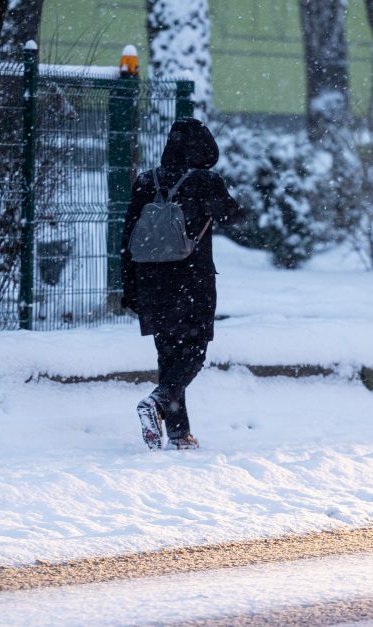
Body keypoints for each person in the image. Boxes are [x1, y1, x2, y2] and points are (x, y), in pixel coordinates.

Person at [120, 117, 242, 451]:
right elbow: (234, 215)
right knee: (195, 351)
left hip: (150, 281)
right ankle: (159, 403)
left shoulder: (147, 180)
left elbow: (128, 234)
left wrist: (128, 287)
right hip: (191, 280)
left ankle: (178, 433)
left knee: (169, 354)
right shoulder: (205, 181)